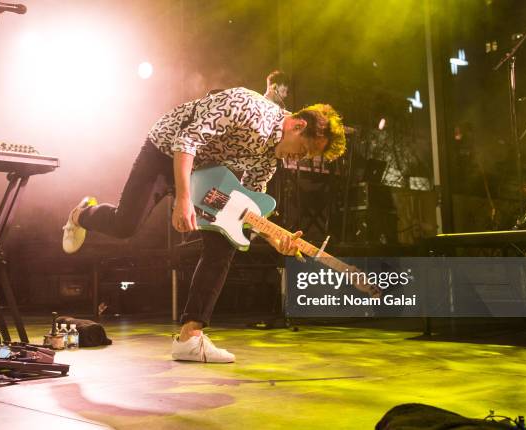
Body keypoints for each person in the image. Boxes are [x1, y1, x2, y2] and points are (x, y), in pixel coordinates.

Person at [62, 87, 347, 363]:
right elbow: (186, 140)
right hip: (165, 151)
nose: (301, 158)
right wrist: (184, 199)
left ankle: (190, 338)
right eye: (305, 149)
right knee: (125, 225)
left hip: (205, 174)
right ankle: (81, 214)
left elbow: (247, 204)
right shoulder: (248, 107)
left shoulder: (270, 158)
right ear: (297, 126)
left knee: (224, 244)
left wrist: (272, 236)